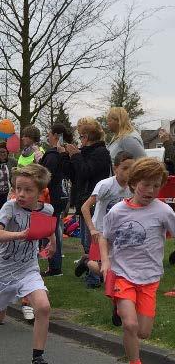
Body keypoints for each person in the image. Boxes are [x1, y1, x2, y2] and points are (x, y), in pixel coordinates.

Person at [0, 164, 58, 364]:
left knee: (43, 307)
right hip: (4, 271)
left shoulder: (47, 210)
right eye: (18, 188)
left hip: (29, 268)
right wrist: (21, 234)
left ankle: (37, 360)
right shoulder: (10, 208)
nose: (21, 194)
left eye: (28, 190)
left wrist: (53, 243)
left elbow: (49, 230)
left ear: (41, 192)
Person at [99, 157, 175, 364]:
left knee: (143, 331)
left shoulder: (163, 211)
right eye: (145, 184)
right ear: (133, 183)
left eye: (156, 185)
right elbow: (104, 236)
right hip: (123, 275)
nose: (151, 190)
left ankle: (119, 308)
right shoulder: (118, 211)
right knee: (130, 325)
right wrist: (105, 261)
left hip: (150, 278)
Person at [77, 151, 134, 325]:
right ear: (115, 168)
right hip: (101, 231)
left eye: (132, 168)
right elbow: (85, 207)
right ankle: (86, 262)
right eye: (125, 168)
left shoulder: (133, 187)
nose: (128, 172)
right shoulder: (105, 185)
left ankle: (117, 305)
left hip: (122, 234)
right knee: (106, 270)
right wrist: (93, 229)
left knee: (120, 270)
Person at [66, 117, 112, 288]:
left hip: (94, 203)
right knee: (86, 241)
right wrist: (67, 157)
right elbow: (75, 174)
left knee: (91, 241)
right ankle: (93, 271)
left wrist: (76, 156)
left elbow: (86, 172)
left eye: (81, 136)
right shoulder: (86, 152)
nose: (80, 140)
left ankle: (94, 276)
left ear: (87, 136)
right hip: (84, 201)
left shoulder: (100, 153)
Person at [39, 123, 74, 276]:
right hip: (59, 196)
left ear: (55, 136)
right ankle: (53, 264)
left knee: (49, 232)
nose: (47, 135)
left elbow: (45, 176)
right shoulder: (62, 154)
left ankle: (54, 266)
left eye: (49, 133)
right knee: (53, 230)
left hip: (51, 197)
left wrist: (38, 164)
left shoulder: (52, 156)